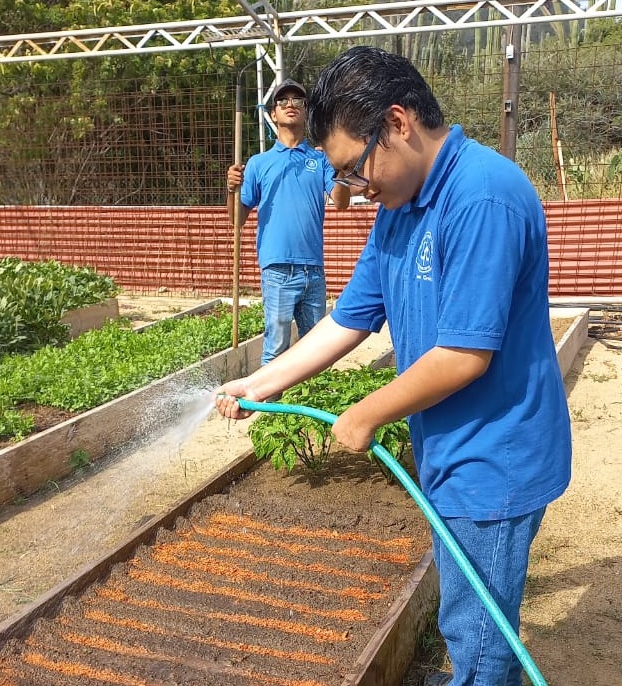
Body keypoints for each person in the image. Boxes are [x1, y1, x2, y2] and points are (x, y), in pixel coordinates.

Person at [216, 46, 571, 686]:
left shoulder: (483, 196)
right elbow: (347, 319)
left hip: (496, 457)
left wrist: (366, 412)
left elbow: (464, 355)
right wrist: (257, 383)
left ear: (398, 123)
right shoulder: (399, 210)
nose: (356, 192)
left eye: (355, 169)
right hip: (453, 447)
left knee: (481, 633)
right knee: (469, 614)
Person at [227, 77, 350, 366]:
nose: (290, 105)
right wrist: (231, 189)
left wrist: (342, 167)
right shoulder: (259, 163)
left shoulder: (319, 160)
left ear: (306, 112)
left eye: (298, 101)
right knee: (276, 347)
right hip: (277, 269)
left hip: (313, 269)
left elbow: (341, 203)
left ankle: (307, 406)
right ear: (273, 114)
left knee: (316, 348)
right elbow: (236, 220)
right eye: (283, 101)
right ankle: (271, 410)